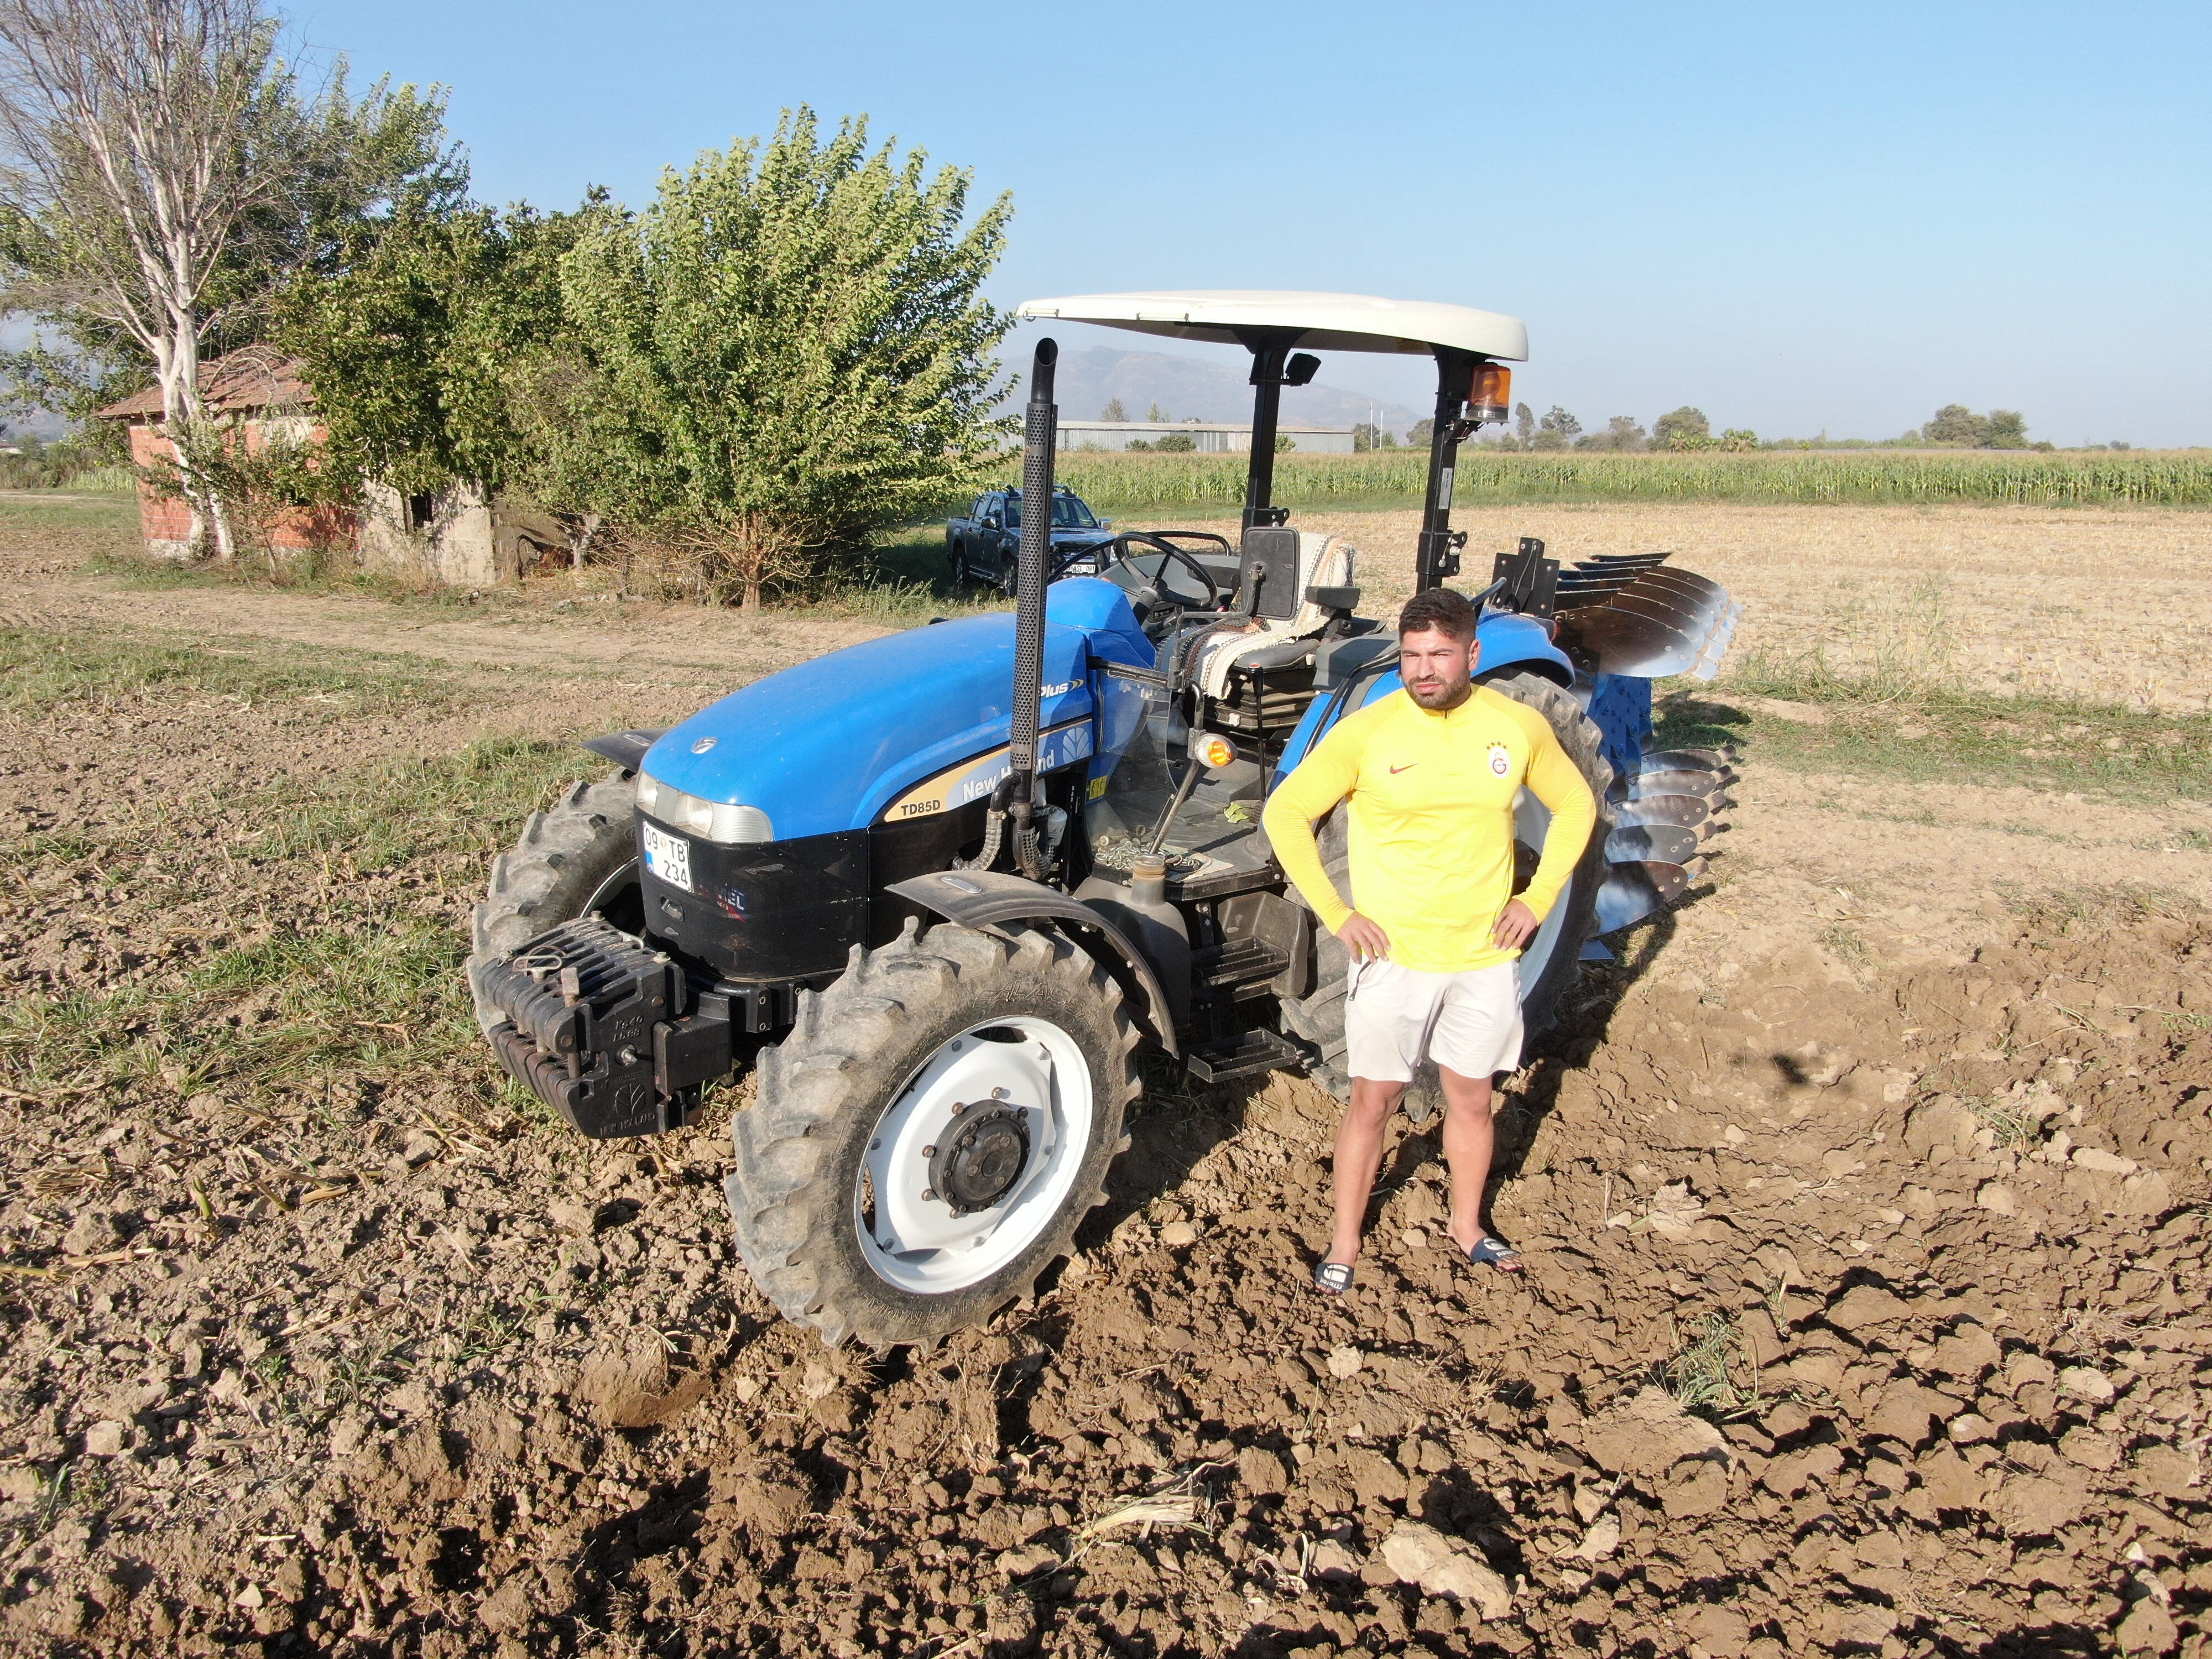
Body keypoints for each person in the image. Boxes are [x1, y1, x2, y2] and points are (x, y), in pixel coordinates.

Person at [1261, 586, 1597, 1293]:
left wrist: (1537, 902)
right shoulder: (1366, 732)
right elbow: (1286, 813)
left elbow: (1575, 806)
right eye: (1412, 656)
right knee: (1371, 1102)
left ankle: (1467, 1226)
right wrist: (1335, 912)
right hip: (1395, 961)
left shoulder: (1516, 727)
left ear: (1470, 654)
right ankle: (1346, 1240)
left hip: (1482, 961)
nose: (1424, 670)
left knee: (1472, 1100)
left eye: (1439, 654)